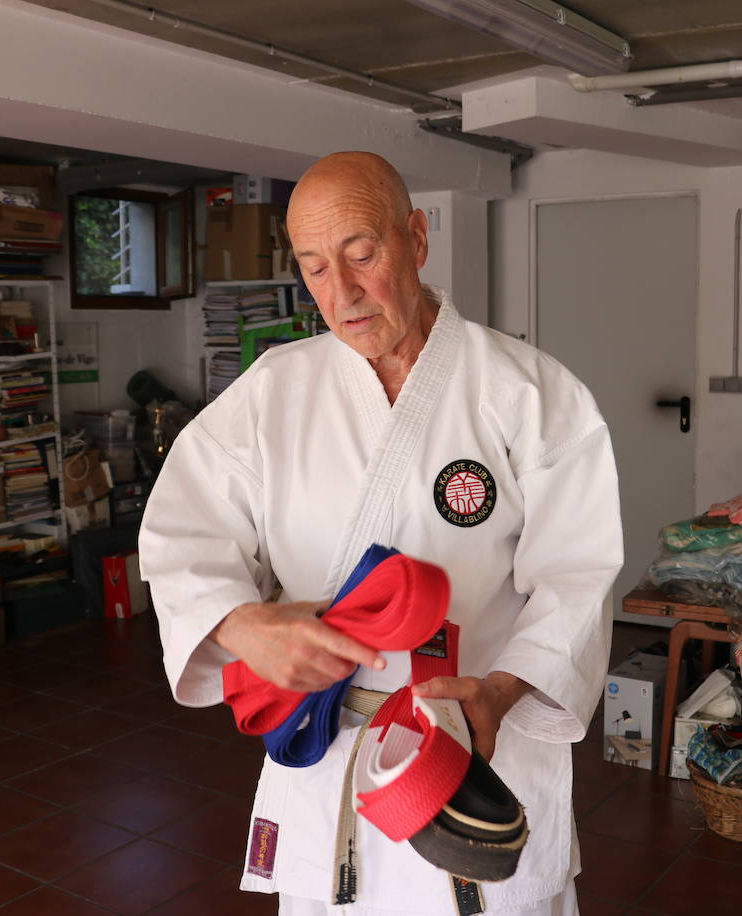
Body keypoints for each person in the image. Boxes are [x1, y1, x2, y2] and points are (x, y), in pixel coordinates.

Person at [138, 151, 622, 916]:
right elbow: (184, 531)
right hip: (330, 755)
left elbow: (579, 573)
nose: (344, 292)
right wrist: (242, 622)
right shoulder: (273, 392)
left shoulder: (531, 393)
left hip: (473, 742)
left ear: (417, 240)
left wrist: (498, 695)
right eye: (316, 268)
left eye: (363, 254)